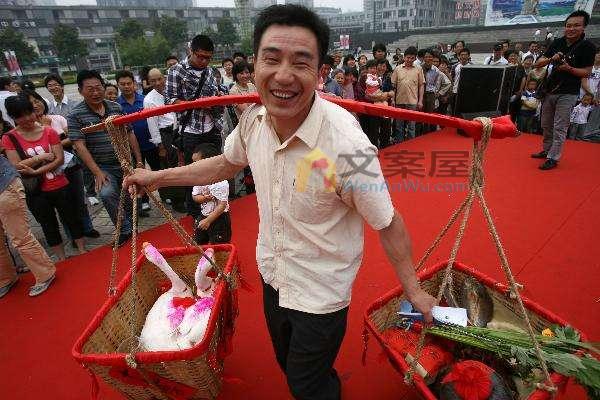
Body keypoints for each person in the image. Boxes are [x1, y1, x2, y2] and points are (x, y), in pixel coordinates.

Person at [123, 5, 435, 400]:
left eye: (301, 63)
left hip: (321, 294)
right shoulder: (253, 121)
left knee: (305, 385)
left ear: (320, 73)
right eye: (272, 59)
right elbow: (224, 164)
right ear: (253, 65)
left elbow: (387, 221)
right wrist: (156, 178)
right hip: (273, 277)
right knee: (289, 366)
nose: (284, 76)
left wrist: (414, 290)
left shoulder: (349, 148)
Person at [3, 95, 86, 260]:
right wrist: (40, 157)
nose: (27, 119)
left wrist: (34, 171)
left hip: (59, 183)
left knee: (72, 217)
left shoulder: (48, 131)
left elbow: (58, 159)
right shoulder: (9, 138)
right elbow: (17, 165)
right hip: (36, 190)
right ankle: (61, 258)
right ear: (13, 117)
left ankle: (82, 250)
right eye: (20, 116)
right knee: (48, 224)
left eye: (29, 113)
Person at [68, 70, 141, 246]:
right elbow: (79, 146)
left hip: (124, 162)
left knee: (131, 196)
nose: (95, 92)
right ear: (80, 91)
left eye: (98, 87)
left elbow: (129, 133)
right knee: (107, 194)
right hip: (102, 166)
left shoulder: (115, 107)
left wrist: (138, 160)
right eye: (90, 89)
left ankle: (133, 227)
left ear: (103, 86)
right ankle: (124, 229)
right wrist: (97, 172)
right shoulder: (75, 115)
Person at [25, 89, 99, 242]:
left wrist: (55, 143)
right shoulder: (30, 130)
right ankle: (73, 235)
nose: (36, 105)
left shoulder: (57, 118)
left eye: (37, 101)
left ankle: (87, 227)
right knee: (64, 205)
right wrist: (50, 132)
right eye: (31, 104)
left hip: (71, 166)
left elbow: (73, 137)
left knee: (79, 199)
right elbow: (44, 149)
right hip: (50, 171)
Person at [166, 34, 224, 215]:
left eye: (208, 58)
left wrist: (216, 99)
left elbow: (218, 93)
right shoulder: (176, 71)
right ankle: (195, 213)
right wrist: (197, 104)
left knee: (215, 170)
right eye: (200, 57)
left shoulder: (210, 71)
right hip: (191, 129)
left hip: (212, 127)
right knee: (193, 173)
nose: (204, 61)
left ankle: (217, 208)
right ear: (190, 51)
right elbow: (170, 100)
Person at [531, 10, 596, 170]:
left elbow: (587, 72)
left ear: (584, 27)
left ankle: (553, 157)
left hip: (568, 92)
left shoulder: (588, 47)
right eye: (568, 25)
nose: (571, 29)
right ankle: (547, 150)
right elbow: (537, 63)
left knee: (560, 126)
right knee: (546, 123)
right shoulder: (557, 42)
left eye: (576, 25)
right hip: (550, 90)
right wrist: (551, 59)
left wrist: (569, 68)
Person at [0, 153, 56, 297]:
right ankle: (6, 279)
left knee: (20, 238)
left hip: (4, 188)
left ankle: (45, 274)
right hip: (5, 187)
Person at [116, 69, 159, 215]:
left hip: (150, 143)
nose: (126, 86)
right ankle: (143, 201)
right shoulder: (116, 105)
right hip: (131, 148)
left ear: (134, 83)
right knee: (136, 174)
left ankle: (165, 195)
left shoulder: (145, 99)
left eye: (129, 83)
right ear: (118, 85)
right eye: (123, 84)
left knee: (157, 170)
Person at [191, 144, 232, 245]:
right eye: (193, 162)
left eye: (196, 163)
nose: (193, 166)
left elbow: (222, 206)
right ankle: (203, 254)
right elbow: (195, 196)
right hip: (204, 214)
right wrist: (204, 198)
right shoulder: (199, 178)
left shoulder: (220, 181)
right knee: (198, 242)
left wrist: (208, 220)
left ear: (210, 162)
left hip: (220, 218)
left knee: (219, 245)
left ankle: (218, 255)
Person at [391, 46, 425, 142]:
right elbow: (393, 86)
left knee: (411, 126)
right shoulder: (398, 69)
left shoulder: (418, 69)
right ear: (404, 57)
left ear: (415, 58)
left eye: (412, 58)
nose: (409, 60)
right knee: (399, 126)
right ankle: (400, 143)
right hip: (399, 101)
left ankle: (410, 144)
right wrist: (393, 99)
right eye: (408, 57)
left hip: (413, 102)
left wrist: (420, 101)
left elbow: (421, 85)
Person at [422, 49, 450, 133]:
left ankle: (430, 134)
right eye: (426, 57)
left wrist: (439, 93)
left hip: (431, 95)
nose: (429, 59)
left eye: (430, 57)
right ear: (424, 58)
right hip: (421, 95)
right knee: (421, 116)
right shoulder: (419, 68)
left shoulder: (436, 71)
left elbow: (448, 83)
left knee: (431, 117)